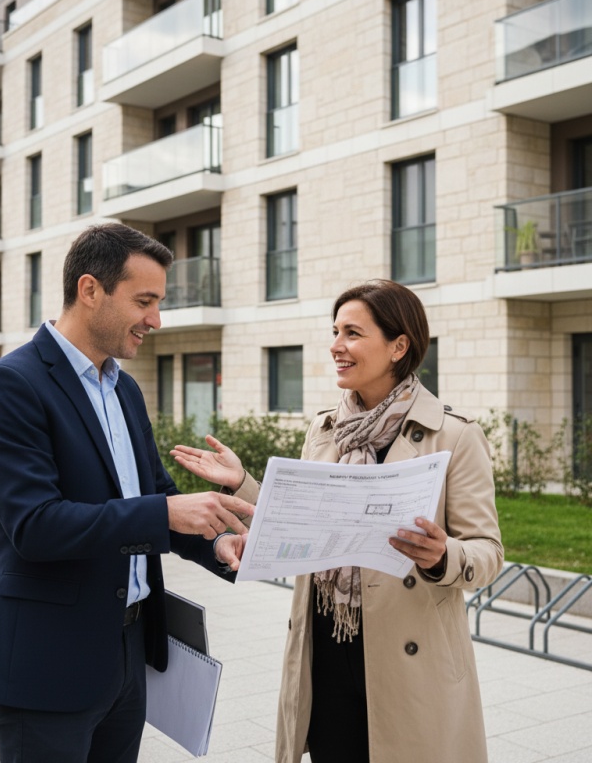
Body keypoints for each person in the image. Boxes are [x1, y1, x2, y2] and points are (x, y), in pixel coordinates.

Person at [171, 279, 504, 763]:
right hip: (326, 645)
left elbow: (488, 552)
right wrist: (242, 480)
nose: (335, 346)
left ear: (398, 346)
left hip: (410, 660)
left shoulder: (454, 435)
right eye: (335, 331)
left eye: (351, 333)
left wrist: (443, 555)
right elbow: (309, 523)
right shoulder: (326, 429)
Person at [0, 223, 255, 763]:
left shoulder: (124, 387)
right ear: (89, 289)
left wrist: (214, 545)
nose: (155, 320)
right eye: (144, 301)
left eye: (158, 303)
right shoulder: (11, 385)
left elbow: (157, 499)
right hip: (47, 662)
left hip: (129, 652)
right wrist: (165, 510)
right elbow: (36, 527)